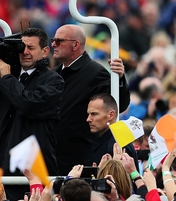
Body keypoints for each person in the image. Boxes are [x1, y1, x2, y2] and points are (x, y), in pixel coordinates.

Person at [0, 27, 61, 175]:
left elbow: (28, 104)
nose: (25, 52)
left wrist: (7, 78)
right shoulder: (7, 77)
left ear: (45, 51)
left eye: (31, 47)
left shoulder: (53, 80)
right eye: (22, 47)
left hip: (30, 170)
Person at [52, 24, 130, 174]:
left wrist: (119, 79)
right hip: (53, 157)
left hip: (79, 159)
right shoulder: (54, 74)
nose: (53, 44)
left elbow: (117, 104)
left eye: (59, 40)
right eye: (53, 40)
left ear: (76, 44)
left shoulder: (95, 73)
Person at [85, 93, 138, 166]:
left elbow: (121, 176)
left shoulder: (117, 146)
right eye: (88, 114)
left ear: (111, 115)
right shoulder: (107, 142)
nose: (88, 119)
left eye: (94, 114)